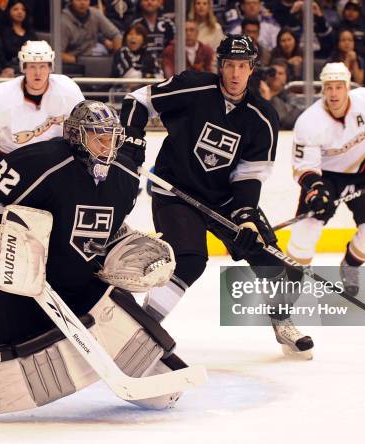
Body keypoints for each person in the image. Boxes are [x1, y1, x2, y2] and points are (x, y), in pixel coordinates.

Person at [0, 100, 190, 423]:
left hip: (79, 282)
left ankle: (153, 375)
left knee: (118, 314)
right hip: (15, 283)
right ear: (76, 137)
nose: (107, 147)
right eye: (98, 137)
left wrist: (122, 249)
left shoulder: (123, 175)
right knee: (23, 351)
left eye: (112, 137)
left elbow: (111, 229)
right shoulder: (38, 161)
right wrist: (16, 248)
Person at [121, 34, 314, 357]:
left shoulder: (263, 117)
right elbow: (138, 101)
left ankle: (282, 323)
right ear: (220, 66)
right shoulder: (193, 87)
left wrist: (246, 218)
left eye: (242, 66)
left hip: (223, 200)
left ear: (252, 69)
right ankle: (145, 327)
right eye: (229, 65)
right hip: (176, 190)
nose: (236, 74)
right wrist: (131, 142)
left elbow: (249, 177)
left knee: (278, 265)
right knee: (190, 261)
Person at [287, 62, 365, 296]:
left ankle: (350, 266)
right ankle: (292, 280)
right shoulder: (309, 122)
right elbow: (304, 168)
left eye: (339, 87)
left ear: (347, 87)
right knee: (304, 232)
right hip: (326, 178)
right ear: (322, 90)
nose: (334, 93)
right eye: (329, 88)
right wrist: (316, 190)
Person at [0, 41, 85, 163]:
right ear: (23, 67)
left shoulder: (68, 90)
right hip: (11, 160)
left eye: (42, 66)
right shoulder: (2, 96)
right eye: (32, 66)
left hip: (51, 161)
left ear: (50, 67)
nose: (37, 73)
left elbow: (85, 126)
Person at [129, 0, 175, 65]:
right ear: (141, 3)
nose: (149, 2)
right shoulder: (135, 24)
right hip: (141, 65)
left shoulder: (168, 23)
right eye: (145, 0)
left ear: (160, 3)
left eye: (153, 0)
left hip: (165, 64)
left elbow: (174, 45)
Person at [1, 0, 38, 65]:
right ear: (8, 11)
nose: (20, 12)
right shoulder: (3, 31)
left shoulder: (30, 31)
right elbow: (7, 51)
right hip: (11, 65)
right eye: (15, 9)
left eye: (23, 10)